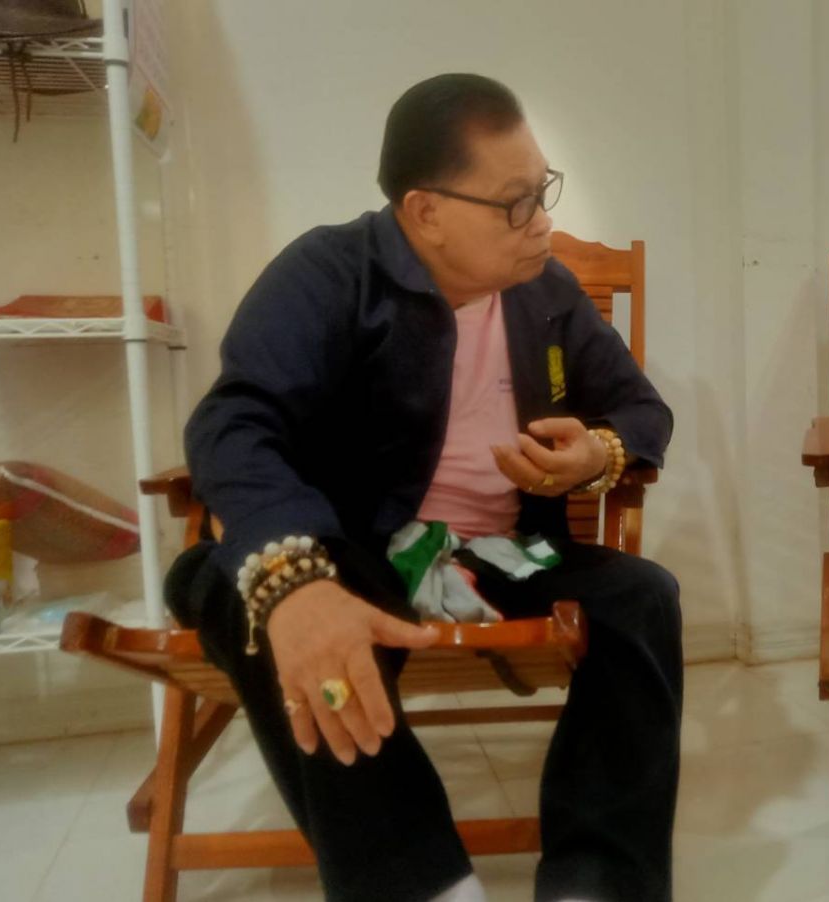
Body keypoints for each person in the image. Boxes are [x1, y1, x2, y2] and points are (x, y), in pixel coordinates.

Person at [167, 73, 681, 902]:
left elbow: (640, 409)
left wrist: (597, 453)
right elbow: (234, 423)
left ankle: (597, 882)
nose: (543, 221)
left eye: (542, 189)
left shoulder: (546, 295)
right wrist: (296, 580)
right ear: (426, 211)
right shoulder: (332, 273)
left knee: (640, 598)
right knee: (275, 589)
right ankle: (420, 885)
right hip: (363, 552)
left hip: (500, 559)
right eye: (515, 203)